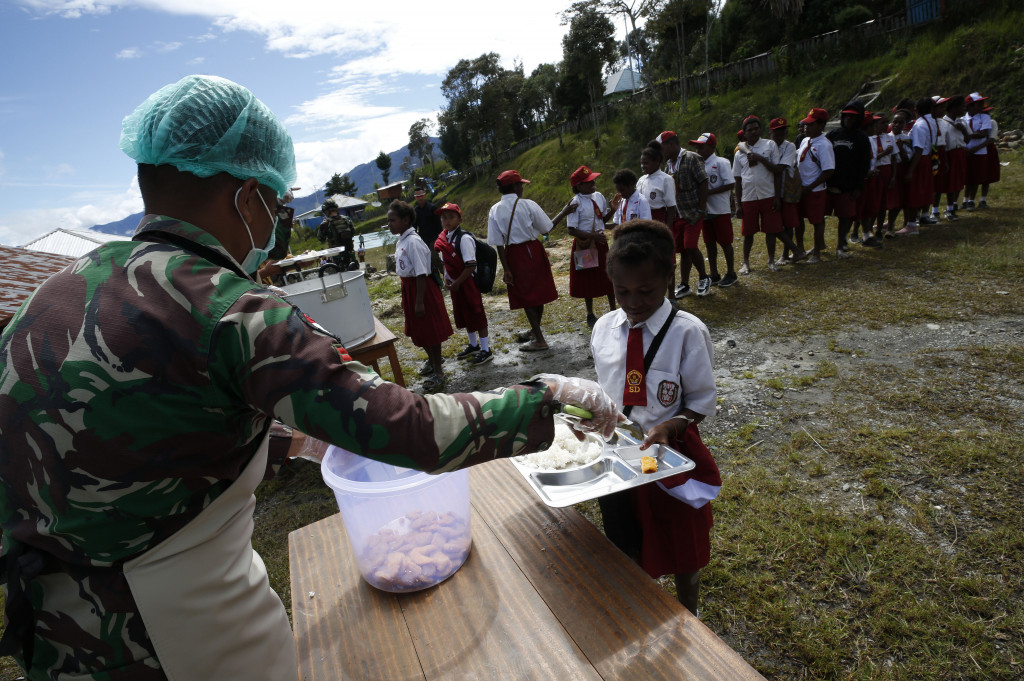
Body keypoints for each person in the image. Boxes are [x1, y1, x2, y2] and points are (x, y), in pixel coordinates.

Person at [0, 74, 621, 681]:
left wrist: (290, 439)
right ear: (247, 199)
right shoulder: (231, 309)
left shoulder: (52, 294)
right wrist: (547, 398)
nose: (276, 226)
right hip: (174, 637)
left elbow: (134, 429)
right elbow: (409, 430)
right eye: (274, 205)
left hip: (57, 640)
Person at [590, 219, 722, 615]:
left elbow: (701, 400)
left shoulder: (687, 333)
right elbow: (605, 390)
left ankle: (689, 611)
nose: (632, 302)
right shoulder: (604, 329)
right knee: (627, 536)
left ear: (668, 277)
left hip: (665, 456)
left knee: (682, 541)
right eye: (621, 291)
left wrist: (670, 424)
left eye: (645, 291)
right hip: (619, 455)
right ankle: (642, 609)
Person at [486, 170, 559, 352]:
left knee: (526, 296)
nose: (522, 188)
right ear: (515, 187)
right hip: (533, 249)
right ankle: (537, 334)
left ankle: (538, 337)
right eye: (521, 185)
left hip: (513, 254)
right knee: (537, 292)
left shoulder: (495, 210)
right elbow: (546, 228)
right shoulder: (528, 205)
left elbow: (498, 244)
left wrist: (506, 268)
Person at [390, 199, 453, 392]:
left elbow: (420, 272)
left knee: (430, 330)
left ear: (405, 220)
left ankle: (439, 371)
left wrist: (418, 302)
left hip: (421, 290)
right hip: (410, 289)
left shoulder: (414, 242)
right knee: (420, 331)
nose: (389, 224)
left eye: (393, 220)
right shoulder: (403, 240)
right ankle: (434, 362)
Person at [732, 115, 807, 273]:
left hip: (768, 194)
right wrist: (738, 204)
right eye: (750, 129)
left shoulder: (769, 145)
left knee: (771, 230)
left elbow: (777, 171)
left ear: (760, 130)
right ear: (744, 133)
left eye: (756, 128)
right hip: (748, 196)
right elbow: (738, 180)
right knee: (748, 233)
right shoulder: (739, 153)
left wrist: (777, 197)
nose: (753, 132)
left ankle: (771, 261)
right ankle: (745, 263)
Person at [434, 202, 492, 366]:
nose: (447, 221)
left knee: (477, 313)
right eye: (443, 218)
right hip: (456, 284)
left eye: (451, 217)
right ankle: (473, 345)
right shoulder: (444, 238)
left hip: (468, 283)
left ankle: (486, 349)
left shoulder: (464, 238)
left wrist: (458, 282)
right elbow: (446, 262)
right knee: (464, 314)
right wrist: (446, 277)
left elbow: (470, 265)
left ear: (460, 220)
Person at [658, 131, 709, 299]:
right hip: (677, 213)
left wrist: (701, 209)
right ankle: (685, 284)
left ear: (672, 144)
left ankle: (704, 277)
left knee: (690, 245)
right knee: (683, 250)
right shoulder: (669, 165)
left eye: (662, 148)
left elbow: (703, 182)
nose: (661, 152)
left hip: (693, 212)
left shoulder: (692, 158)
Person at [566, 165, 615, 327]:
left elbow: (601, 219)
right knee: (587, 277)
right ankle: (590, 313)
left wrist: (612, 211)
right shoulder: (576, 202)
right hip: (585, 244)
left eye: (593, 180)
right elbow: (571, 230)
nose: (593, 183)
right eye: (589, 182)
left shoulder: (598, 196)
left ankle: (613, 308)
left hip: (600, 242)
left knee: (608, 275)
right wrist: (592, 236)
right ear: (579, 186)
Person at [688, 132, 737, 287]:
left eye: (701, 146)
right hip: (705, 211)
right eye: (696, 147)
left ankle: (731, 273)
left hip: (720, 209)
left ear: (711, 146)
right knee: (709, 243)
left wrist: (708, 192)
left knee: (725, 242)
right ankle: (714, 273)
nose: (697, 150)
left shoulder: (721, 162)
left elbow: (730, 184)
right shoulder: (697, 163)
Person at [825, 100, 872, 253]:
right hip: (829, 182)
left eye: (852, 117)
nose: (848, 119)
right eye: (846, 116)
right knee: (820, 216)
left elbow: (864, 164)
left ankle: (841, 243)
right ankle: (819, 244)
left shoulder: (862, 137)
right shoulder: (833, 134)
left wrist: (859, 186)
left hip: (849, 184)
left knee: (846, 216)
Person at [795, 107, 836, 263]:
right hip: (801, 189)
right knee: (798, 221)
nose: (806, 127)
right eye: (806, 124)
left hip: (815, 190)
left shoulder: (824, 145)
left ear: (820, 126)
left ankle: (817, 252)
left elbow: (828, 171)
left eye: (811, 125)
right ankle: (800, 249)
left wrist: (810, 187)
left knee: (817, 221)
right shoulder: (805, 140)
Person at [895, 97, 939, 236]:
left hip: (919, 159)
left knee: (914, 190)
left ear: (916, 110)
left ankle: (912, 224)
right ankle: (911, 221)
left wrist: (910, 171)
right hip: (926, 158)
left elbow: (918, 149)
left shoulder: (920, 125)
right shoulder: (931, 121)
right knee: (921, 189)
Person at [637, 144, 678, 233]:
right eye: (642, 163)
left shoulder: (666, 179)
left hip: (658, 222)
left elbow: (671, 207)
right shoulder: (641, 180)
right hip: (641, 223)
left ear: (657, 161)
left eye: (646, 163)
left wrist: (667, 230)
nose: (643, 166)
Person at [961, 92, 992, 211]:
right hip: (966, 150)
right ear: (970, 106)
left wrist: (968, 134)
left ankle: (971, 200)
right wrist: (975, 134)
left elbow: (984, 134)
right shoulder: (963, 119)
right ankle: (964, 200)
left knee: (976, 177)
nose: (982, 106)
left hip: (979, 152)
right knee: (967, 177)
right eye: (979, 104)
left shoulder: (984, 117)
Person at [941, 95, 969, 221]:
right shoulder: (943, 123)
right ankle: (948, 208)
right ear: (954, 108)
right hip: (949, 154)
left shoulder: (962, 122)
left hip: (960, 152)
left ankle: (953, 206)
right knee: (950, 181)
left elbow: (967, 140)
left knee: (959, 181)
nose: (965, 108)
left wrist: (964, 131)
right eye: (962, 106)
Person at [317, 198, 356, 268]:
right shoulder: (347, 219)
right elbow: (353, 232)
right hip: (350, 252)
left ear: (326, 211)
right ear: (336, 208)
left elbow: (321, 239)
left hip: (337, 256)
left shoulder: (326, 223)